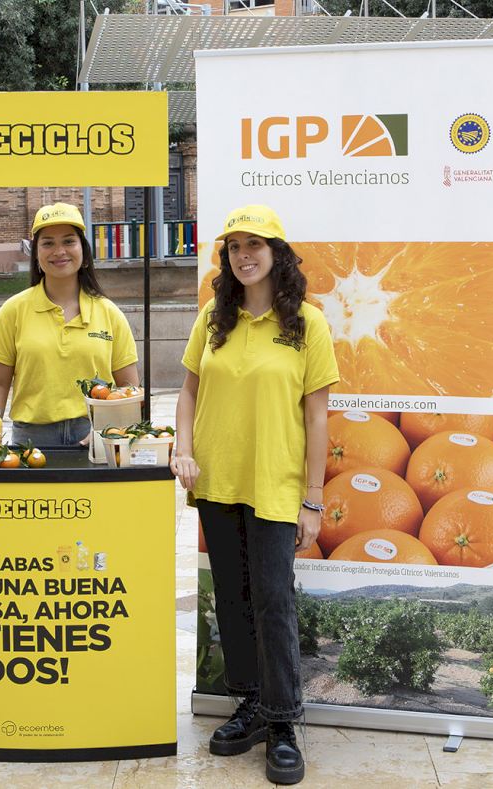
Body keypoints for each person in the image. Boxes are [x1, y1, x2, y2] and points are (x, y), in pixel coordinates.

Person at [171, 205, 338, 785]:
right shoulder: (213, 319)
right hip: (218, 482)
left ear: (277, 253)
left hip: (275, 484)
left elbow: (318, 417)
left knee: (273, 601)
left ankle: (284, 720)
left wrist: (312, 499)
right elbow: (188, 393)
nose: (244, 256)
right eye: (235, 247)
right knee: (233, 598)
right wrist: (183, 449)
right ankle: (249, 705)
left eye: (255, 245)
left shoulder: (308, 324)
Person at [0, 202, 139, 446]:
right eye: (48, 243)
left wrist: (109, 430)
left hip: (96, 434)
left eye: (68, 241)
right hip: (31, 439)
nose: (59, 251)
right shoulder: (13, 311)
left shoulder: (109, 313)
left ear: (83, 250)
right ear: (36, 254)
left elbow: (129, 388)